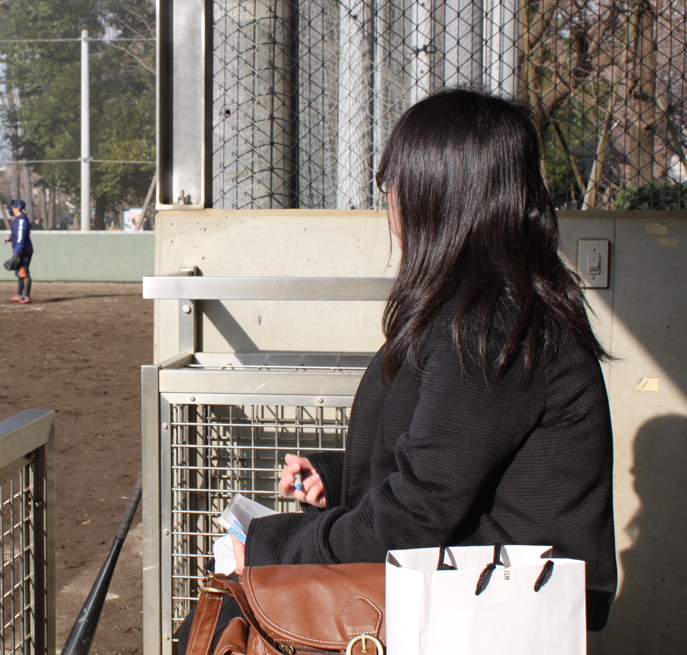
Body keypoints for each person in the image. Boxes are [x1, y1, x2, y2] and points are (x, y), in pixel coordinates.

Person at [180, 89, 617, 650]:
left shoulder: (490, 325)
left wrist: (277, 545)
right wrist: (338, 479)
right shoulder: (484, 308)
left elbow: (421, 508)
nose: (388, 203)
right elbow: (455, 463)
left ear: (435, 192)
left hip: (491, 619)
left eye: (393, 182)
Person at [4, 198, 33, 303]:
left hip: (23, 250)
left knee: (24, 272)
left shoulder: (21, 220)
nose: (11, 209)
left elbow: (21, 237)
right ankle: (19, 294)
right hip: (20, 249)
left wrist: (17, 252)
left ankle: (27, 297)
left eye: (12, 207)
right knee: (19, 272)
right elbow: (17, 235)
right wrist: (10, 238)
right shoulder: (18, 219)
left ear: (18, 208)